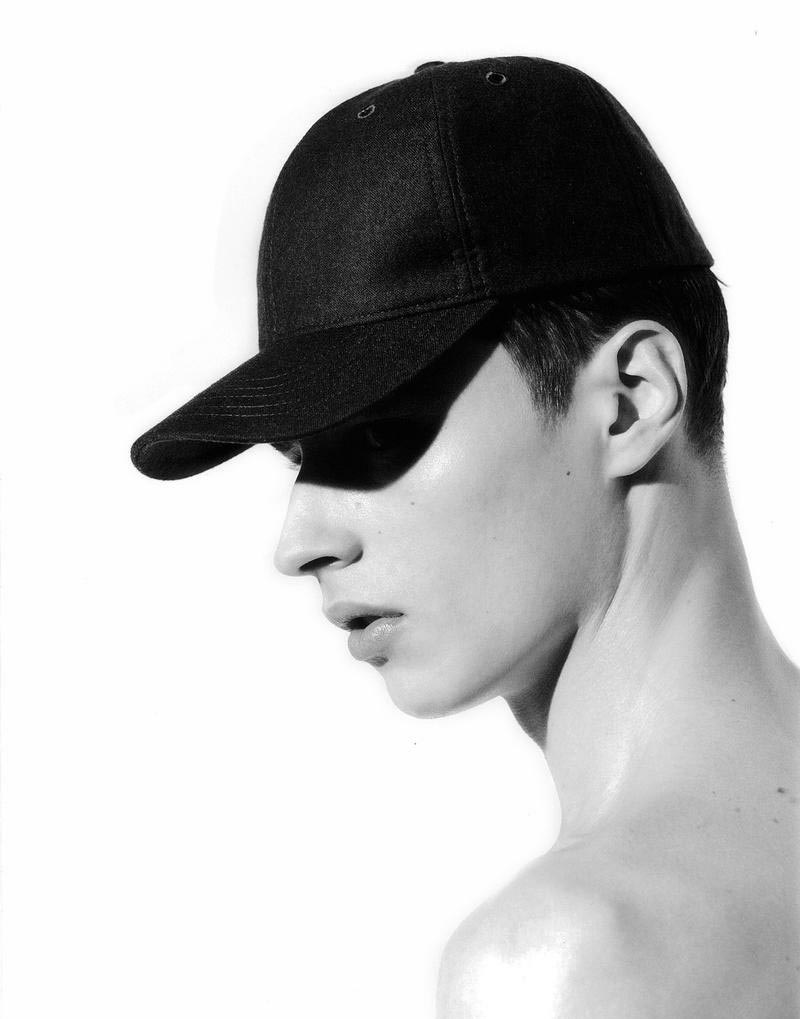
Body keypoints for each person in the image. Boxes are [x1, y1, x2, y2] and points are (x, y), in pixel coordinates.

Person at [131, 56, 800, 1017]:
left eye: (380, 434)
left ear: (630, 399)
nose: (300, 540)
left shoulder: (571, 957)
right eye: (298, 458)